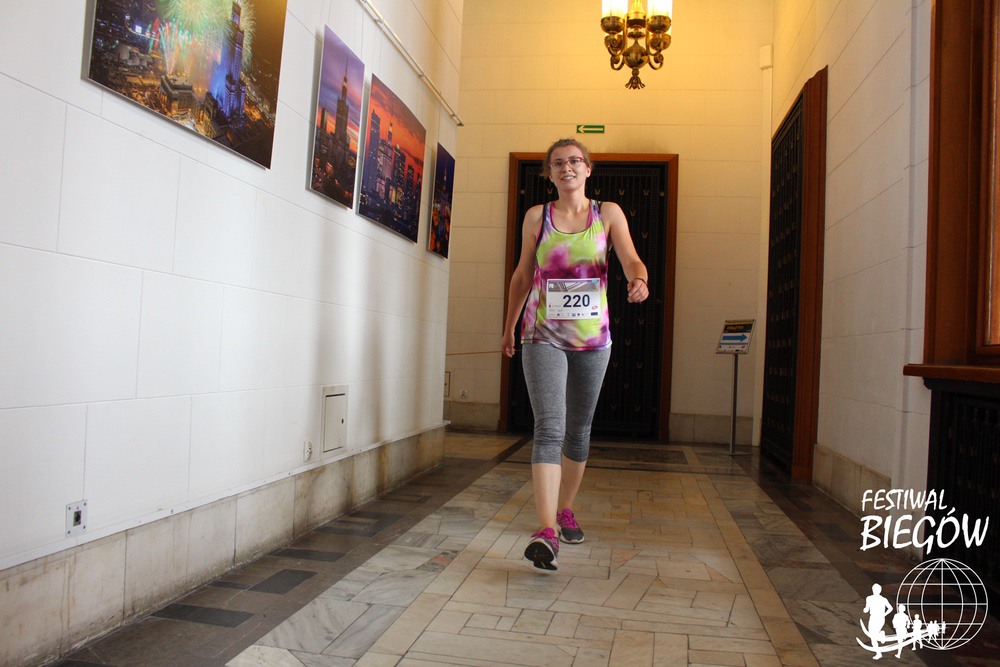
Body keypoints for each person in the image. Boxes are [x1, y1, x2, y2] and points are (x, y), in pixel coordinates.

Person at [501, 138, 649, 570]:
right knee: (549, 428)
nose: (567, 167)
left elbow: (632, 259)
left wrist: (639, 280)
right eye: (557, 163)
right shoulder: (537, 217)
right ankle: (547, 531)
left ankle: (565, 509)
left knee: (578, 431)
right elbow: (522, 274)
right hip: (542, 334)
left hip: (592, 340)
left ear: (588, 169)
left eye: (574, 161)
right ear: (548, 173)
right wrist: (509, 326)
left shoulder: (608, 213)